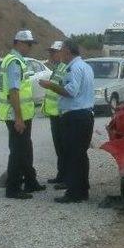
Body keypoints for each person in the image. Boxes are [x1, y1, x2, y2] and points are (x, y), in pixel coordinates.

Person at [39, 40, 95, 203]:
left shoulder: (73, 68)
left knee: (72, 155)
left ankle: (74, 192)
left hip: (75, 116)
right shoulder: (86, 67)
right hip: (85, 115)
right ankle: (82, 189)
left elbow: (70, 91)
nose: (60, 54)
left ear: (69, 52)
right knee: (80, 155)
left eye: (62, 51)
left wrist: (50, 86)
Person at [0, 30, 45, 199]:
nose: (30, 48)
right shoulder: (14, 62)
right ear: (18, 43)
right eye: (29, 44)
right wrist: (18, 118)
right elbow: (14, 92)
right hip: (16, 115)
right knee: (18, 152)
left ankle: (31, 182)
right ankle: (13, 188)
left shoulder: (16, 60)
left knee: (25, 149)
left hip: (22, 114)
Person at [41, 41, 68, 185]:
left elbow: (65, 91)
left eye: (53, 52)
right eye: (50, 52)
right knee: (59, 147)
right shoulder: (58, 68)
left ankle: (66, 178)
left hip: (61, 115)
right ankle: (61, 175)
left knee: (64, 147)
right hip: (55, 114)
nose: (50, 55)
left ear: (61, 53)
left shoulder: (64, 68)